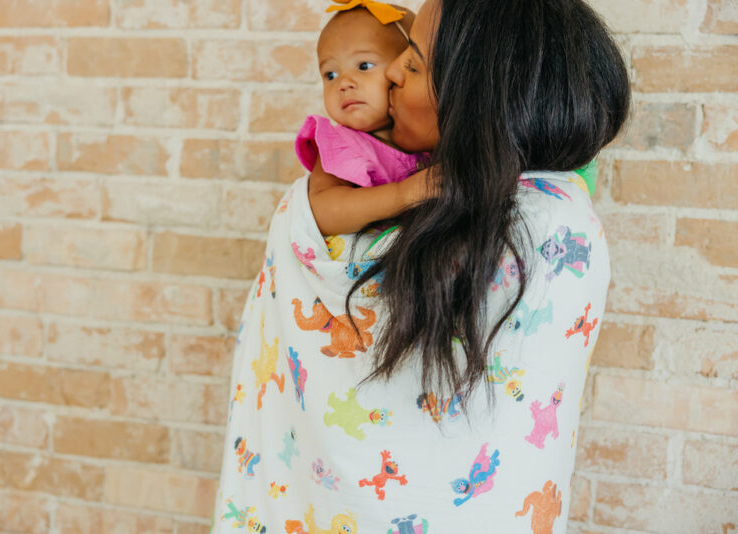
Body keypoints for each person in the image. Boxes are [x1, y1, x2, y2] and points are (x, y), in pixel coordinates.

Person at [211, 0, 630, 531]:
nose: (388, 73)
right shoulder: (362, 155)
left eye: (411, 64)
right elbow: (318, 216)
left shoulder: (544, 220)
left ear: (473, 96)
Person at [298, 0, 433, 238]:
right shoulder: (342, 143)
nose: (344, 83)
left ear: (403, 68)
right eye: (330, 74)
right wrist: (402, 195)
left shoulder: (425, 134)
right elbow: (322, 212)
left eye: (364, 65)